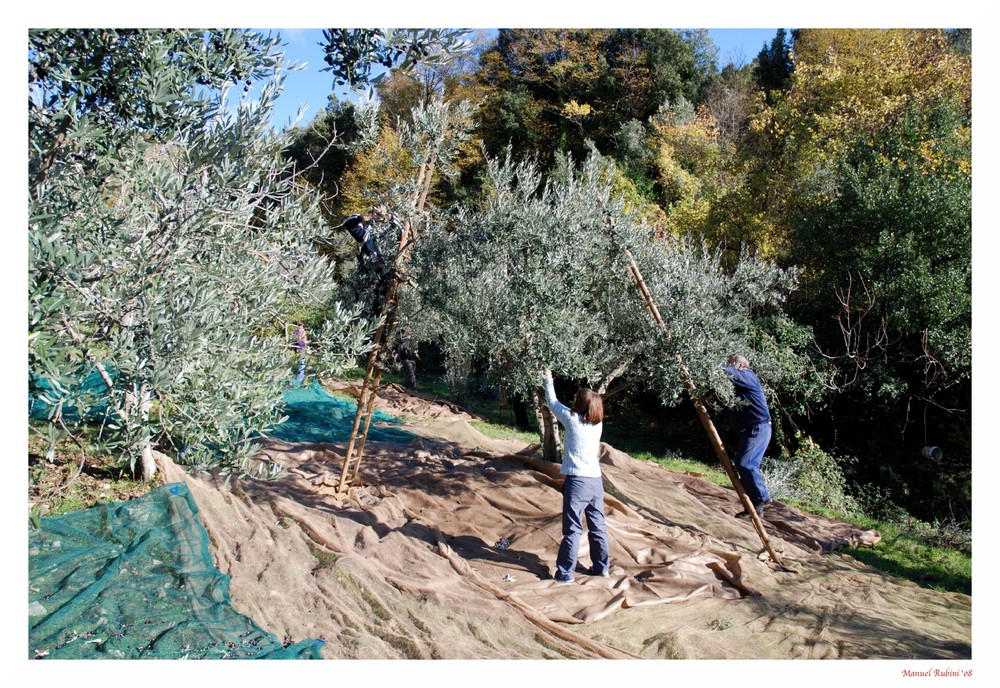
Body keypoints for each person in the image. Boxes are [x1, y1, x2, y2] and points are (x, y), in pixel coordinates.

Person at [541, 369, 611, 584]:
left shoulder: (572, 420)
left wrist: (547, 378)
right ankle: (602, 569)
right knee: (598, 526)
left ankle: (565, 574)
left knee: (572, 529)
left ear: (580, 404)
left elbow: (552, 401)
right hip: (595, 482)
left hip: (577, 482)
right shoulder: (598, 425)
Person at [723, 353, 772, 519]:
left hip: (758, 428)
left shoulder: (748, 376)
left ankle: (762, 498)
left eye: (731, 363)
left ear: (740, 366)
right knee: (742, 464)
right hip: (749, 429)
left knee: (746, 463)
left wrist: (714, 366)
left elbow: (729, 372)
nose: (729, 366)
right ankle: (753, 507)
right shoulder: (741, 382)